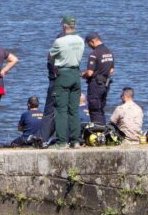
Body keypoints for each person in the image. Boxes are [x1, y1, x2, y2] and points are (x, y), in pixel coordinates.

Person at [49, 16, 85, 148]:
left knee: (61, 109)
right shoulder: (81, 40)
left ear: (64, 26)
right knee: (74, 109)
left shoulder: (60, 41)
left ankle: (61, 141)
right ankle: (76, 140)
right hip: (76, 73)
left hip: (63, 74)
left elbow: (50, 56)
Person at [82, 32, 115, 125]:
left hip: (95, 84)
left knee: (94, 109)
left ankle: (98, 132)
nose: (89, 47)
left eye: (89, 44)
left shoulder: (94, 54)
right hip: (105, 84)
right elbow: (111, 70)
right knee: (101, 108)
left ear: (92, 41)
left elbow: (89, 73)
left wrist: (82, 74)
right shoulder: (109, 52)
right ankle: (103, 129)